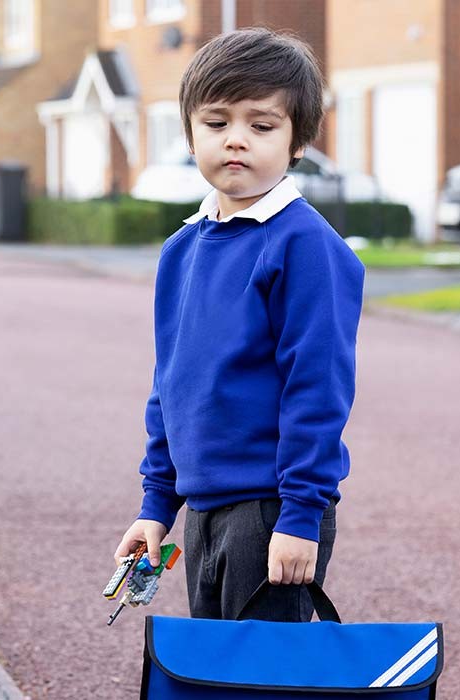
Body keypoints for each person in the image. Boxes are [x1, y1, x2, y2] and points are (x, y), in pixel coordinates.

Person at [113, 27, 365, 622]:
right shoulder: (182, 249)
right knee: (214, 676)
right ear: (190, 133)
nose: (236, 141)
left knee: (260, 682)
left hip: (271, 510)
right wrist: (156, 506)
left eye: (262, 125)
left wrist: (301, 513)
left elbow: (318, 387)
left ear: (298, 141)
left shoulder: (307, 247)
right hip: (201, 511)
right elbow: (171, 384)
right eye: (217, 122)